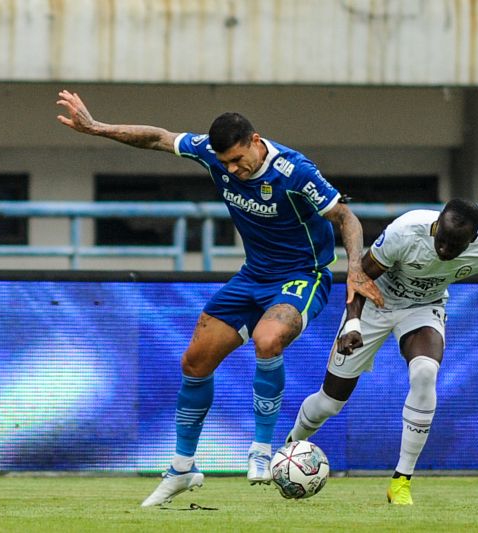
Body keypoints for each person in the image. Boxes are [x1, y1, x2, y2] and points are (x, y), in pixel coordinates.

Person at [56, 90, 384, 507]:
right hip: (253, 276)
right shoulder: (211, 154)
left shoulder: (294, 170)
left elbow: (346, 217)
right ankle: (181, 468)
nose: (231, 169)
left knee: (268, 339)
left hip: (303, 276)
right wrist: (96, 127)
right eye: (224, 162)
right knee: (195, 360)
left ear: (255, 141)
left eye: (236, 159)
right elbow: (158, 138)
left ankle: (261, 451)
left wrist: (354, 268)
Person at [285, 198, 478, 505]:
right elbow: (360, 276)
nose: (444, 250)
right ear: (436, 225)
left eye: (454, 246)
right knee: (329, 403)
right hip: (373, 304)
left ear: (472, 240)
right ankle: (290, 449)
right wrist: (353, 323)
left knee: (425, 372)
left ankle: (401, 482)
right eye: (441, 240)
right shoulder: (406, 230)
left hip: (424, 307)